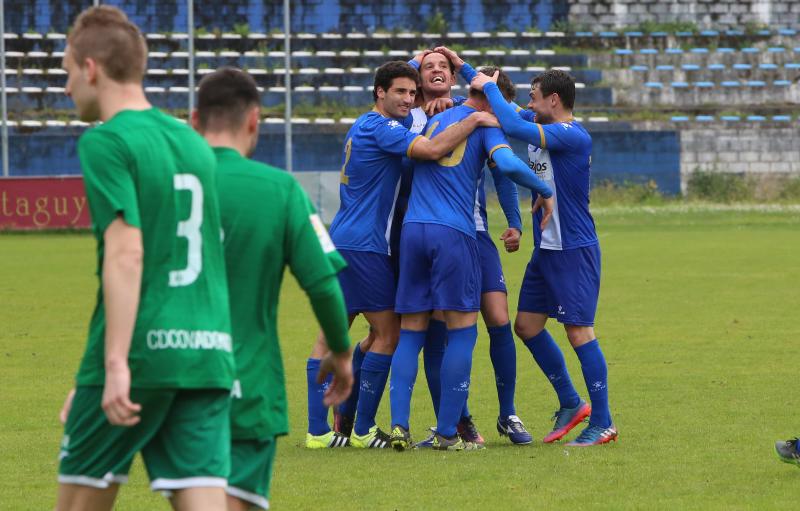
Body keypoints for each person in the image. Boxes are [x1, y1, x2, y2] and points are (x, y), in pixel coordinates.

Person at [56, 6, 234, 510]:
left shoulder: (107, 141)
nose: (67, 86)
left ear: (90, 68)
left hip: (138, 354)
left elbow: (128, 252)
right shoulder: (193, 143)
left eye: (68, 71)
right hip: (206, 353)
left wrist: (111, 365)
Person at [305, 60, 500, 449]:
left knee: (332, 335)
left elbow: (407, 93)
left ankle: (318, 431)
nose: (409, 99)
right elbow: (429, 148)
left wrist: (417, 63)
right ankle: (361, 430)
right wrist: (475, 119)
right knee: (389, 333)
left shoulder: (363, 123)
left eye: (412, 93)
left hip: (341, 238)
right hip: (366, 245)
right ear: (379, 91)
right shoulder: (383, 128)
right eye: (400, 92)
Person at [191, 67, 354, 510]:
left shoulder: (160, 188)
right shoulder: (279, 189)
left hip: (170, 379)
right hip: (245, 379)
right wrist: (340, 352)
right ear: (254, 121)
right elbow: (323, 284)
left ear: (194, 121)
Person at [388, 67, 554, 451]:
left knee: (412, 332)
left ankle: (400, 426)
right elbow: (509, 168)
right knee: (463, 329)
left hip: (413, 230)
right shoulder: (484, 124)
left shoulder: (435, 119)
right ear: (492, 97)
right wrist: (544, 190)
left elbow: (411, 166)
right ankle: (448, 432)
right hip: (453, 233)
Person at [471, 69, 618, 446]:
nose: (530, 102)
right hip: (547, 250)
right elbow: (501, 109)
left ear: (554, 100)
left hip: (573, 249)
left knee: (579, 331)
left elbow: (511, 124)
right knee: (527, 327)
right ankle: (571, 402)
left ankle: (603, 421)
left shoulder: (571, 134)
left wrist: (487, 85)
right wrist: (466, 72)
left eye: (535, 95)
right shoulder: (540, 119)